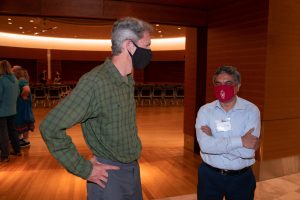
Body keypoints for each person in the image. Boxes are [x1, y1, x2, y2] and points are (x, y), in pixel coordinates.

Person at [40, 17, 153, 200]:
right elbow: (50, 127)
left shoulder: (127, 79)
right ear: (129, 46)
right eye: (147, 45)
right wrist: (84, 168)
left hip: (132, 169)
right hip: (108, 177)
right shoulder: (95, 82)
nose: (149, 51)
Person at [195, 66, 260, 200]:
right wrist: (241, 141)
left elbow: (248, 152)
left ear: (238, 86)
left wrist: (214, 138)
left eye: (228, 83)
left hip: (241, 178)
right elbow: (205, 147)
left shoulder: (251, 110)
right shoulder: (205, 110)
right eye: (218, 84)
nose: (222, 87)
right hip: (209, 176)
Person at [0, 60, 21, 162]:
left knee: (3, 132)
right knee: (13, 130)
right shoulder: (15, 80)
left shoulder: (2, 80)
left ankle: (5, 155)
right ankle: (17, 150)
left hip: (2, 111)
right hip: (12, 109)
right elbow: (17, 93)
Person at [14, 68, 35, 148]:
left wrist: (23, 96)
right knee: (25, 121)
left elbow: (26, 89)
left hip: (22, 106)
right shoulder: (23, 79)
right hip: (24, 105)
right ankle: (23, 140)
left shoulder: (21, 80)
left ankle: (24, 141)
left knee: (22, 121)